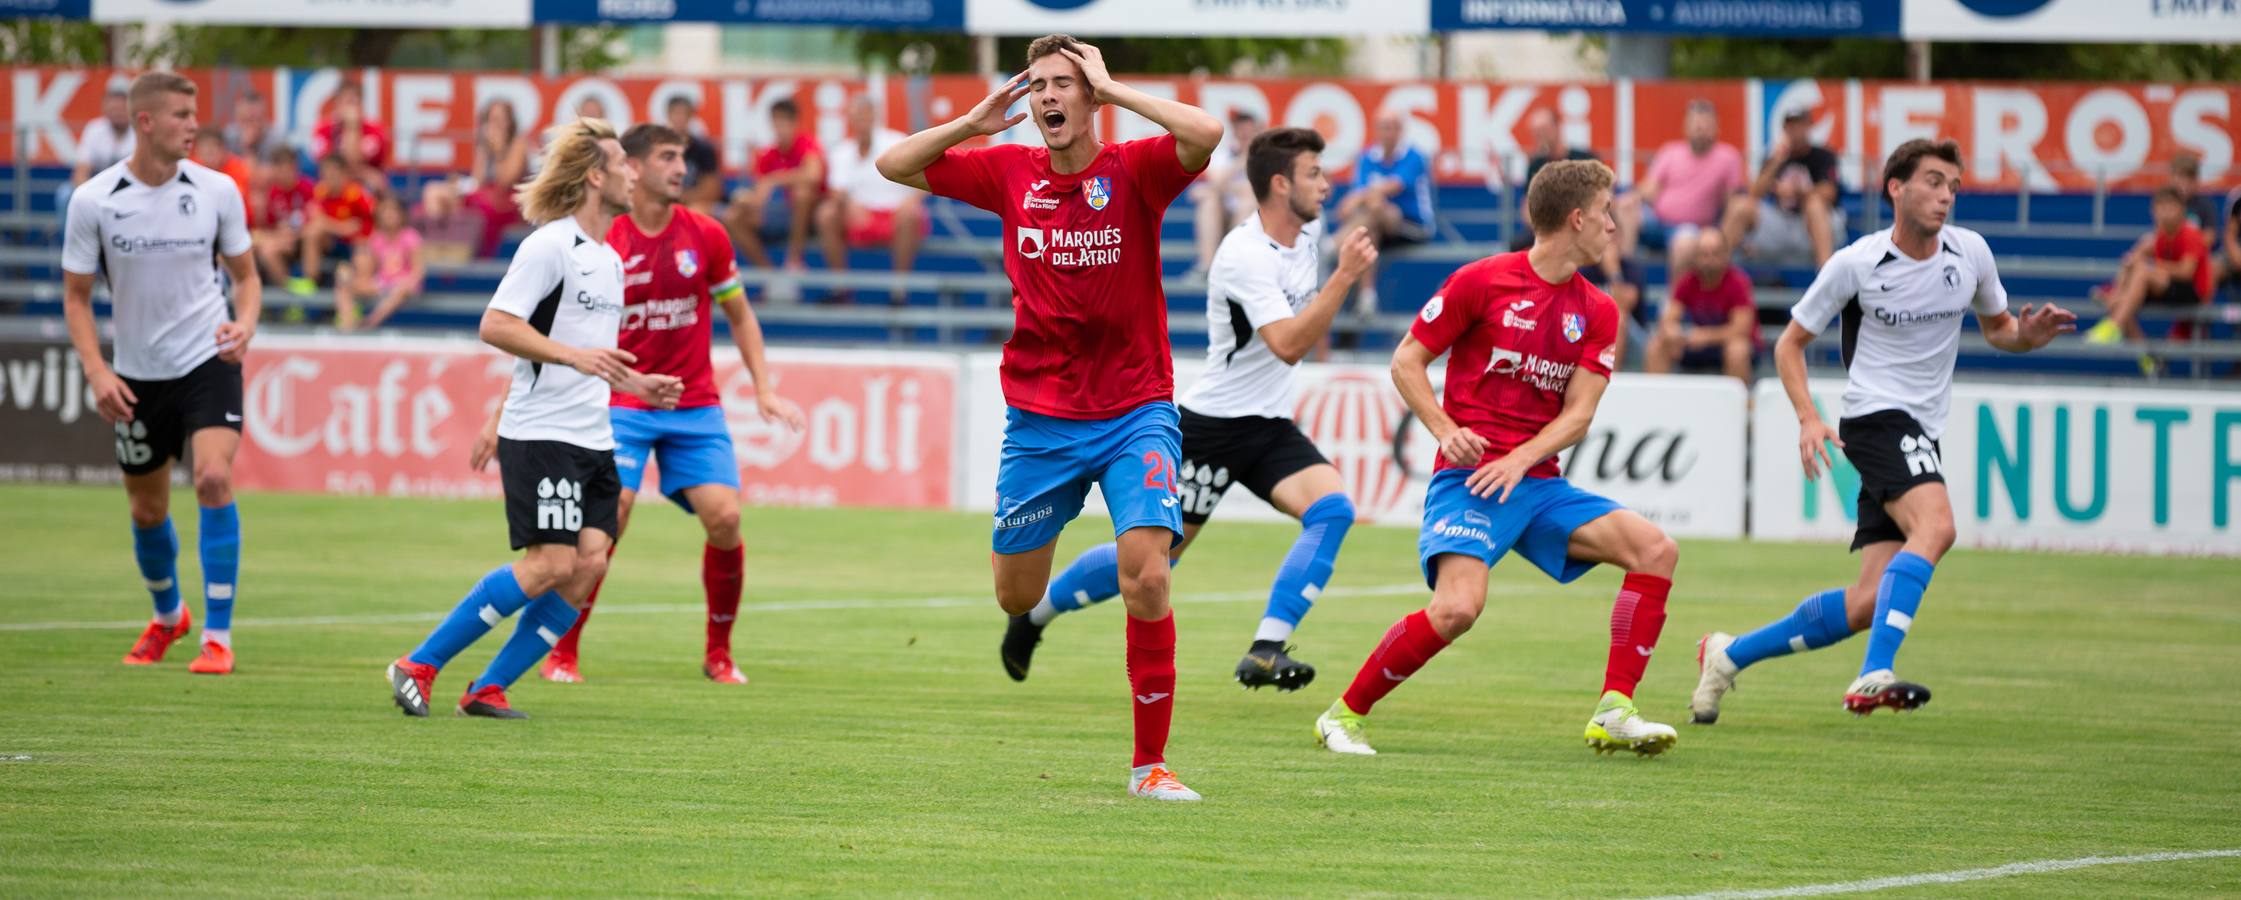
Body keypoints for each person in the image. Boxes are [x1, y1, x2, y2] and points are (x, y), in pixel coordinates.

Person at [877, 34, 1221, 800]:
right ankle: (1038, 613)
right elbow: (892, 165)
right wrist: (970, 123)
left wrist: (1116, 85)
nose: (1047, 98)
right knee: (1014, 593)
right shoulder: (1006, 172)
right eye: (1038, 86)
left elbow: (1204, 135)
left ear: (1089, 95)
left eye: (1063, 84)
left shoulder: (1135, 171)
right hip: (1039, 418)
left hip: (1137, 408)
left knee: (1148, 578)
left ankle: (1149, 767)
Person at [1690, 140, 2075, 725]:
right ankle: (1874, 674)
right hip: (1873, 420)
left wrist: (2027, 336)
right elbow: (1788, 343)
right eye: (1933, 182)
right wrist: (1808, 417)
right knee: (1938, 527)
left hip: (1920, 430)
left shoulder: (1969, 253)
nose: (1945, 196)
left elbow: (1999, 329)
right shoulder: (1856, 263)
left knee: (1870, 599)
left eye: (1953, 186)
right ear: (1896, 187)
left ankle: (1727, 655)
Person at [1310, 159, 1684, 759]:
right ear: (1578, 218)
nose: (1615, 226)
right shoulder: (1480, 281)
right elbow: (1407, 361)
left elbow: (1580, 415)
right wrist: (1444, 428)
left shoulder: (1599, 310)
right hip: (1469, 481)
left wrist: (1521, 461)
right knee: (1458, 608)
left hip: (1535, 483)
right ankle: (1343, 714)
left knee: (1655, 550)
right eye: (1608, 212)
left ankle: (1616, 708)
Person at [999, 127, 1377, 693]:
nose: (1326, 185)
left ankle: (1266, 649)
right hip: (1214, 428)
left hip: (1269, 425)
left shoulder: (1310, 233)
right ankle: (1035, 616)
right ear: (1280, 185)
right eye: (1314, 174)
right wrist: (1347, 275)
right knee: (1157, 563)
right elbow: (1289, 343)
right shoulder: (1245, 254)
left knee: (1333, 510)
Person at [386, 118, 683, 720]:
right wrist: (524, 396)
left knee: (589, 565)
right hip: (542, 434)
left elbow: (588, 353)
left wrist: (637, 384)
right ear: (596, 175)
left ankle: (487, 688)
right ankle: (418, 663)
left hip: (592, 434)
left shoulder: (608, 259)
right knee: (550, 563)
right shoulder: (550, 246)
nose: (632, 173)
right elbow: (497, 324)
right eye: (622, 163)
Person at [533, 123, 806, 686]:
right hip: (623, 401)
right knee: (613, 518)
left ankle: (719, 653)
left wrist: (763, 388)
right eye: (667, 157)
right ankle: (563, 650)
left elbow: (740, 315)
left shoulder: (705, 234)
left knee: (726, 519)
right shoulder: (605, 238)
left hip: (693, 404)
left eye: (683, 157)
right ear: (630, 167)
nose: (682, 167)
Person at [60, 72, 262, 676]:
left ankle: (218, 636)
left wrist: (245, 323)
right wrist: (97, 371)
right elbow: (75, 297)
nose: (192, 125)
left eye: (193, 113)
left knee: (211, 480)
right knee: (147, 511)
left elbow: (247, 278)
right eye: (179, 115)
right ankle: (169, 614)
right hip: (136, 376)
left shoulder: (218, 190)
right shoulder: (94, 200)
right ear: (145, 122)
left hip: (209, 361)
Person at [815, 94, 927, 304]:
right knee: (827, 214)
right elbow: (836, 190)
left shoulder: (896, 141)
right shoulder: (842, 152)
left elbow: (926, 176)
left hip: (896, 216)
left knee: (910, 214)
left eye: (865, 116)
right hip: (859, 217)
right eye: (858, 117)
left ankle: (899, 290)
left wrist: (910, 202)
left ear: (874, 117)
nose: (862, 122)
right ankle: (840, 286)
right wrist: (849, 205)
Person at [2086, 186, 2213, 354]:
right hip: (2168, 287)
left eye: (2171, 206)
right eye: (2161, 207)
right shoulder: (2155, 237)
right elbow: (2130, 262)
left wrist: (2153, 265)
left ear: (2182, 209)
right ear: (2153, 211)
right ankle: (2146, 357)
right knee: (2121, 301)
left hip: (2194, 292)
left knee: (2143, 273)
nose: (2166, 211)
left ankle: (2112, 326)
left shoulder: (2191, 234)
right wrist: (2122, 282)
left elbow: (2185, 272)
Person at [1337, 110, 1433, 314]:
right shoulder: (1367, 157)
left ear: (1400, 131)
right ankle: (1367, 297)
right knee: (1369, 229)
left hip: (1413, 226)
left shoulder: (1414, 156)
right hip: (1377, 227)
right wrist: (1363, 199)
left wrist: (1360, 198)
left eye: (1392, 128)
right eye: (1383, 127)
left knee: (1376, 205)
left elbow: (1394, 186)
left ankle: (1336, 243)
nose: (1387, 133)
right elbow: (1354, 202)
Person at [1722, 107, 1842, 267]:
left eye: (1799, 125)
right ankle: (1718, 271)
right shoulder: (1775, 156)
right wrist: (1776, 161)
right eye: (1791, 126)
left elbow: (1830, 192)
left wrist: (1797, 192)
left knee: (1815, 205)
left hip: (1811, 226)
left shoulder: (1822, 155)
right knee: (1740, 205)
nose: (1795, 130)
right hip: (1779, 224)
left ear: (1809, 126)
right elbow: (1754, 193)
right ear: (1784, 129)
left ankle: (1826, 277)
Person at [1635, 99, 1745, 273]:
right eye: (1695, 124)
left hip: (1694, 228)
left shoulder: (1728, 157)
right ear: (1686, 127)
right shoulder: (1669, 151)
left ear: (1717, 127)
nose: (1700, 129)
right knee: (1624, 207)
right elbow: (1649, 190)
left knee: (1685, 242)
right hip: (1655, 221)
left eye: (1705, 124)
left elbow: (1732, 203)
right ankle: (1621, 278)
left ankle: (1674, 299)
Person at [1645, 229, 1759, 381]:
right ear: (1696, 257)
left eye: (1715, 253)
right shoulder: (1687, 280)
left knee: (1737, 350)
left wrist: (1706, 336)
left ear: (1726, 255)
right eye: (1704, 254)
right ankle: (1655, 400)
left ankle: (1742, 402)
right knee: (1657, 346)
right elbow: (1668, 318)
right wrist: (1672, 331)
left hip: (1726, 345)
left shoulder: (1738, 282)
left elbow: (1741, 329)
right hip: (1696, 344)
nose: (1709, 260)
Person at [726, 98, 824, 272]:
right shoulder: (769, 154)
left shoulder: (807, 144)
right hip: (776, 214)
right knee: (732, 216)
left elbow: (813, 175)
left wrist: (775, 179)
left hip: (809, 215)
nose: (780, 128)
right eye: (776, 122)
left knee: (802, 193)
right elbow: (758, 192)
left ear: (794, 122)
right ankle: (768, 273)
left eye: (784, 122)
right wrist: (746, 201)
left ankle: (794, 259)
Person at [334, 192, 424, 332]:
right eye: (385, 211)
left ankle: (370, 323)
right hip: (382, 282)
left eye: (393, 211)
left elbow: (418, 269)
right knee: (344, 285)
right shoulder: (376, 238)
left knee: (399, 289)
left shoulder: (410, 236)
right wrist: (353, 271)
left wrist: (410, 282)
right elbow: (369, 269)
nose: (389, 215)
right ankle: (348, 325)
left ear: (401, 215)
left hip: (404, 284)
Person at [1190, 110, 1263, 273]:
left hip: (1254, 214)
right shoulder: (1222, 154)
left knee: (1247, 202)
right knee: (1209, 202)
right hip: (1225, 212)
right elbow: (1216, 183)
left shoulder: (1266, 158)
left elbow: (1258, 190)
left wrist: (1225, 189)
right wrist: (1242, 159)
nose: (1245, 134)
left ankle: (1234, 263)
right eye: (1241, 130)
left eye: (1249, 131)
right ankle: (1207, 266)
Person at [292, 154, 375, 297]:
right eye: (325, 173)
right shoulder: (320, 192)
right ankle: (310, 280)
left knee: (317, 228)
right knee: (313, 231)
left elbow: (357, 228)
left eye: (333, 173)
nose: (329, 177)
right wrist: (332, 226)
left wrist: (327, 224)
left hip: (354, 247)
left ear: (344, 173)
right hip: (329, 243)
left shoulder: (356, 194)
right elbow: (311, 221)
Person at [462, 99, 532, 260]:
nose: (497, 125)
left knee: (484, 208)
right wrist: (484, 152)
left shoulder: (518, 144)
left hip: (511, 202)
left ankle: (483, 257)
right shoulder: (484, 145)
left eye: (501, 119)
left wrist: (499, 150)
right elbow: (477, 181)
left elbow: (505, 182)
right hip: (487, 197)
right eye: (493, 120)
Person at [59, 83, 135, 229]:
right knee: (65, 195)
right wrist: (94, 194)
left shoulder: (140, 131)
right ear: (105, 108)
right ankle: (71, 244)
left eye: (122, 108)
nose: (118, 112)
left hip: (131, 188)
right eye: (114, 108)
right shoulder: (94, 129)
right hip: (96, 186)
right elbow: (80, 173)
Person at [247, 145, 313, 287]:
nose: (284, 174)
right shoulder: (272, 193)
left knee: (269, 247)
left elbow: (313, 220)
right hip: (281, 240)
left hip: (302, 240)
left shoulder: (307, 188)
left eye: (288, 170)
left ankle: (305, 285)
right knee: (264, 248)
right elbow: (269, 226)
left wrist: (292, 234)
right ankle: (289, 291)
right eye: (280, 170)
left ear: (295, 168)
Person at [311, 80, 389, 185]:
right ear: (337, 104)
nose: (350, 109)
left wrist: (352, 127)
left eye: (353, 102)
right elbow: (331, 166)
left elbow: (353, 162)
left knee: (376, 181)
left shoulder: (375, 129)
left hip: (364, 184)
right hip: (333, 183)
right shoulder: (323, 129)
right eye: (347, 102)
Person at [665, 97, 725, 215]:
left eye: (683, 114)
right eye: (676, 113)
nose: (679, 118)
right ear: (669, 115)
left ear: (691, 116)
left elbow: (712, 189)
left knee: (695, 213)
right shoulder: (659, 149)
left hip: (697, 203)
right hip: (667, 202)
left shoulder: (703, 149)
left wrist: (681, 197)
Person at [191, 126, 253, 204]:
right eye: (204, 147)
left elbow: (233, 197)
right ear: (196, 152)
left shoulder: (236, 167)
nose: (209, 151)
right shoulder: (192, 167)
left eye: (213, 146)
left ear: (223, 149)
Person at [222, 90, 283, 164]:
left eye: (256, 119)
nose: (251, 126)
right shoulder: (228, 137)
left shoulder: (275, 139)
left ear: (264, 118)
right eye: (246, 120)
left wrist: (248, 147)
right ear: (237, 118)